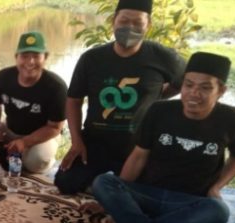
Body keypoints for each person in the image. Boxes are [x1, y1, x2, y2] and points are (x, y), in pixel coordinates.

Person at [91, 52, 235, 223]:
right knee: (104, 182)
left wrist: (217, 186)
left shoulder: (232, 118)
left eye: (205, 88)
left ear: (221, 91)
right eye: (188, 85)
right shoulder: (159, 110)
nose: (193, 93)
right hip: (148, 193)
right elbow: (138, 156)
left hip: (189, 201)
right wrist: (119, 196)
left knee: (218, 212)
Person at [55, 0, 185, 194]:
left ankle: (110, 185)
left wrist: (158, 96)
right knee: (65, 182)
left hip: (139, 146)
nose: (130, 27)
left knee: (150, 189)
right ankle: (105, 185)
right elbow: (74, 100)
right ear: (113, 21)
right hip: (96, 141)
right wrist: (76, 140)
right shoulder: (92, 58)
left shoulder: (163, 57)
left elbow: (185, 82)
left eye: (137, 22)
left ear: (148, 25)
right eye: (124, 21)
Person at [0, 31, 67, 174]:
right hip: (10, 129)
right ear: (16, 58)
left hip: (43, 136)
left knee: (37, 161)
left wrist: (24, 142)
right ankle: (12, 156)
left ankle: (34, 161)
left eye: (36, 56)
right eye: (24, 56)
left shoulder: (56, 87)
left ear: (45, 58)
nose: (30, 62)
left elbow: (55, 127)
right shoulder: (4, 77)